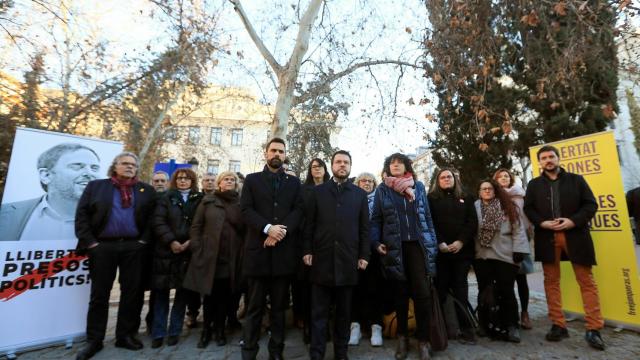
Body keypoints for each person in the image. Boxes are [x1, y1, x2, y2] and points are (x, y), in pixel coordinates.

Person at [74, 152, 156, 360]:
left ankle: (125, 336)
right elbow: (82, 215)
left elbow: (152, 219)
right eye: (125, 164)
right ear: (115, 166)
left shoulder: (146, 190)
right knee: (99, 295)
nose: (130, 167)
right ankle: (94, 340)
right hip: (102, 247)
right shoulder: (97, 186)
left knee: (132, 294)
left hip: (133, 247)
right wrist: (91, 243)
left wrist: (143, 241)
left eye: (133, 164)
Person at [524, 145, 605, 350]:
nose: (548, 160)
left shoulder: (576, 180)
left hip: (575, 236)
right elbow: (528, 209)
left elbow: (591, 205)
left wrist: (573, 221)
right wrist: (541, 223)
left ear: (558, 159)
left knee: (586, 281)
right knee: (551, 282)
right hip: (547, 238)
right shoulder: (534, 185)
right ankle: (558, 324)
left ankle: (593, 328)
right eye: (544, 158)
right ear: (540, 162)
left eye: (551, 156)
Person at [370, 153, 438, 360]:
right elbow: (376, 220)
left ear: (407, 165)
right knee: (399, 293)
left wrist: (432, 242)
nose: (396, 165)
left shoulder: (418, 187)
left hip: (417, 247)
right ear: (388, 168)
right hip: (394, 247)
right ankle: (402, 337)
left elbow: (426, 216)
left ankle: (424, 340)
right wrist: (376, 242)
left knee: (422, 294)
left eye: (400, 162)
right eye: (392, 163)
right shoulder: (382, 190)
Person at [240, 138, 303, 360]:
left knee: (278, 309)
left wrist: (279, 233)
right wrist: (267, 229)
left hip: (283, 256)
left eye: (281, 151)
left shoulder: (294, 183)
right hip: (258, 254)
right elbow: (245, 210)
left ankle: (276, 352)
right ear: (266, 153)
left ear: (285, 155)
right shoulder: (252, 180)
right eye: (273, 150)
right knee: (254, 308)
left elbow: (298, 211)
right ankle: (248, 351)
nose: (277, 154)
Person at [303, 151, 370, 360]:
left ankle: (341, 353)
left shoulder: (359, 195)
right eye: (338, 162)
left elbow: (364, 229)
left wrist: (364, 254)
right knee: (318, 314)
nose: (342, 165)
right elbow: (309, 225)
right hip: (321, 260)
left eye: (346, 162)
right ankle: (317, 353)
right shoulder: (318, 192)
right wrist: (307, 250)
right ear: (331, 166)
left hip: (348, 261)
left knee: (343, 314)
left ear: (351, 166)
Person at [183, 171, 245, 348]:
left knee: (225, 297)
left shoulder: (240, 203)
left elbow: (244, 229)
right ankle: (206, 331)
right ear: (219, 183)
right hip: (210, 258)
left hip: (231, 258)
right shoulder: (208, 201)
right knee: (209, 297)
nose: (229, 181)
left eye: (232, 180)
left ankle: (219, 330)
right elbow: (196, 226)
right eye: (226, 179)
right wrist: (196, 247)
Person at [0, 143, 101, 241]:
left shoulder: (112, 218)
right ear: (46, 175)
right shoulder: (6, 214)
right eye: (77, 166)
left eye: (94, 168)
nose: (89, 173)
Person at [150, 168, 203, 348]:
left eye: (186, 178)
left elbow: (200, 223)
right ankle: (158, 332)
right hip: (165, 252)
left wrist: (189, 242)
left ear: (192, 181)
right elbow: (158, 221)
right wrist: (171, 241)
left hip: (187, 252)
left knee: (182, 295)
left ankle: (174, 331)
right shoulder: (166, 197)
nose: (182, 181)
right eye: (179, 178)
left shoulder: (199, 199)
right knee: (161, 295)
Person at [474, 179, 529, 343]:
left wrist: (519, 250)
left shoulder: (508, 206)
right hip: (482, 256)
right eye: (483, 188)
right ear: (479, 191)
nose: (487, 191)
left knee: (507, 291)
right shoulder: (474, 207)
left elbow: (518, 229)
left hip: (505, 255)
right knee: (484, 290)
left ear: (496, 190)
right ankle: (484, 323)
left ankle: (512, 325)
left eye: (490, 188)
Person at [428, 168, 477, 343]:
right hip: (441, 253)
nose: (447, 179)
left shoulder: (467, 196)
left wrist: (460, 242)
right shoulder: (431, 199)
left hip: (462, 252)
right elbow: (429, 222)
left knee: (460, 289)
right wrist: (439, 242)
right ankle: (446, 327)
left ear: (454, 179)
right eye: (443, 177)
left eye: (449, 176)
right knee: (441, 290)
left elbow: (472, 222)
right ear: (438, 180)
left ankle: (466, 328)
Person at [292, 158, 330, 344]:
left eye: (320, 166)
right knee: (307, 285)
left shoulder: (332, 188)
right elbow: (298, 214)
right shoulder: (303, 189)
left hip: (327, 242)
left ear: (325, 169)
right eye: (313, 167)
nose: (316, 170)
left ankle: (324, 327)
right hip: (305, 241)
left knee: (325, 285)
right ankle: (308, 324)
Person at [493, 168, 534, 329]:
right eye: (500, 176)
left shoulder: (520, 195)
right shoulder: (493, 196)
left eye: (506, 176)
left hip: (519, 240)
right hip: (501, 244)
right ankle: (509, 314)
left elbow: (527, 218)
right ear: (495, 180)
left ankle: (524, 313)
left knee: (521, 279)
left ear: (510, 179)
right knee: (504, 282)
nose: (503, 178)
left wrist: (524, 240)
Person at [348, 172, 385, 347]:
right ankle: (355, 327)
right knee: (355, 289)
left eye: (371, 181)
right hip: (354, 251)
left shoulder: (380, 201)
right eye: (364, 180)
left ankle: (376, 327)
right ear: (357, 182)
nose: (368, 184)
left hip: (375, 251)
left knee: (375, 289)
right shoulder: (350, 199)